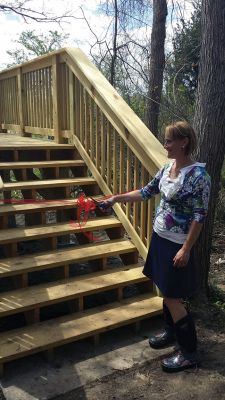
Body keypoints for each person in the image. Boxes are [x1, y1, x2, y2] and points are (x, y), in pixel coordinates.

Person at [99, 121, 211, 372]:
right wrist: (116, 199)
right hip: (160, 238)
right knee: (164, 287)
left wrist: (186, 249)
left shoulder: (199, 177)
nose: (165, 145)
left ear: (184, 142)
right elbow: (146, 192)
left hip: (177, 245)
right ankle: (171, 332)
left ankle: (189, 353)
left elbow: (199, 216)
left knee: (173, 297)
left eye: (169, 140)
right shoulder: (166, 168)